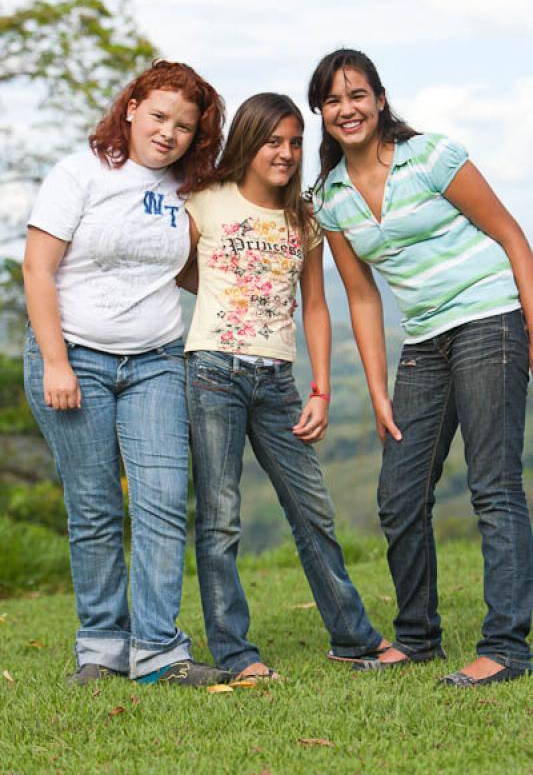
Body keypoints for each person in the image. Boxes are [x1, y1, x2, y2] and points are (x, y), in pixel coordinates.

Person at [308, 48, 533, 687]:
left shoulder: (432, 156)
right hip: (426, 344)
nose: (346, 109)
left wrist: (531, 322)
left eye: (357, 95)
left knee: (493, 485)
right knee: (399, 493)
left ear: (379, 99)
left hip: (491, 317)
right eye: (332, 100)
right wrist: (378, 390)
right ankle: (418, 637)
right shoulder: (331, 199)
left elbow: (513, 235)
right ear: (322, 114)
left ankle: (507, 649)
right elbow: (361, 296)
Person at [23, 60, 232, 687]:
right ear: (133, 106)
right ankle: (101, 650)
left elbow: (185, 271)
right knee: (94, 511)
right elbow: (38, 270)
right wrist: (57, 361)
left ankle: (160, 652)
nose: (169, 133)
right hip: (76, 357)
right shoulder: (80, 173)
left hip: (156, 361)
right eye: (160, 116)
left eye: (185, 127)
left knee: (165, 503)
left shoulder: (185, 192)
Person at [182, 92, 387, 680]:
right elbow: (178, 269)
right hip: (213, 371)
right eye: (274, 141)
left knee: (312, 511)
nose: (286, 153)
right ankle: (235, 653)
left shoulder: (304, 216)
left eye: (296, 142)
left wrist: (321, 388)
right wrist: (225, 293)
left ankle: (353, 638)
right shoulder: (205, 203)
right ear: (248, 142)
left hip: (278, 381)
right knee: (220, 517)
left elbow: (316, 308)